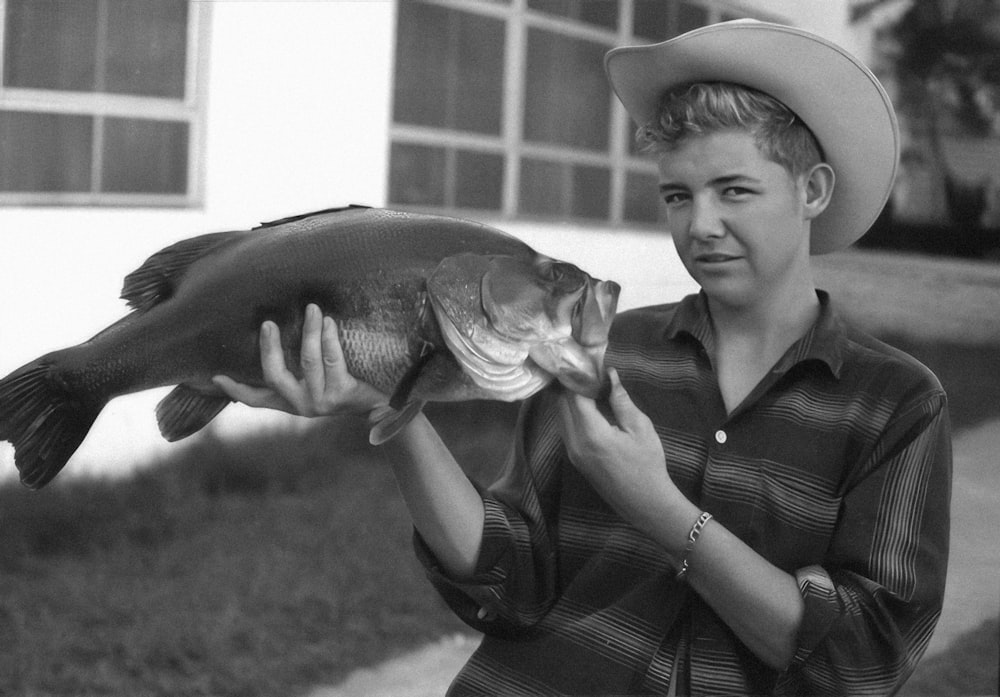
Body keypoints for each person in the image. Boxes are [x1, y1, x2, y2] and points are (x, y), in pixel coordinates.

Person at [214, 20, 952, 696]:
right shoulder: (607, 352)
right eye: (676, 195)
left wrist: (660, 508)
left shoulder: (897, 404)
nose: (701, 225)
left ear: (812, 190)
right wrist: (391, 407)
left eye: (734, 190)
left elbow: (862, 660)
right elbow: (512, 577)